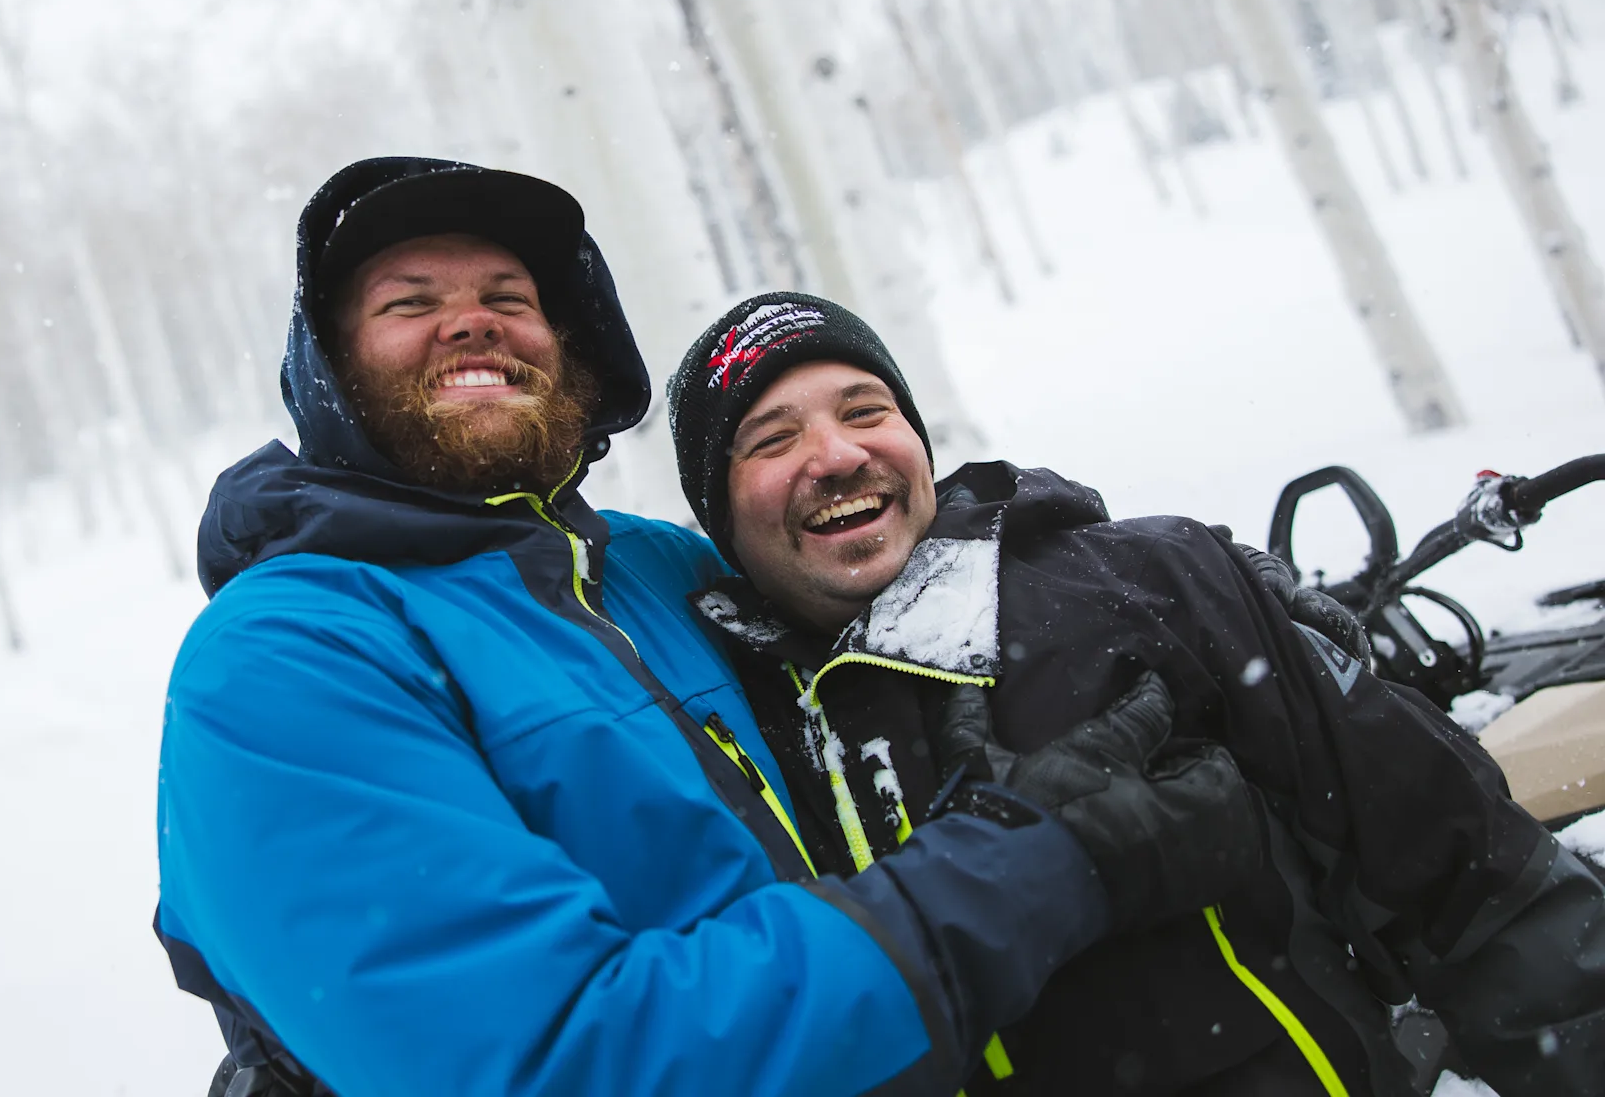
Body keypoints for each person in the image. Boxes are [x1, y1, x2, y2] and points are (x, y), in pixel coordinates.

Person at [154, 157, 1265, 1097]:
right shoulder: (287, 657)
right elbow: (557, 1062)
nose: (473, 319)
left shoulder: (657, 567)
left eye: (509, 294)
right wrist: (1023, 873)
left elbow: (884, 600)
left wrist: (1177, 581)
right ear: (329, 370)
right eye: (409, 303)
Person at [667, 290, 1605, 1097]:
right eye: (773, 440)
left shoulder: (1146, 584)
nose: (836, 455)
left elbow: (1472, 873)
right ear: (719, 515)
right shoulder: (730, 730)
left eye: (866, 410)